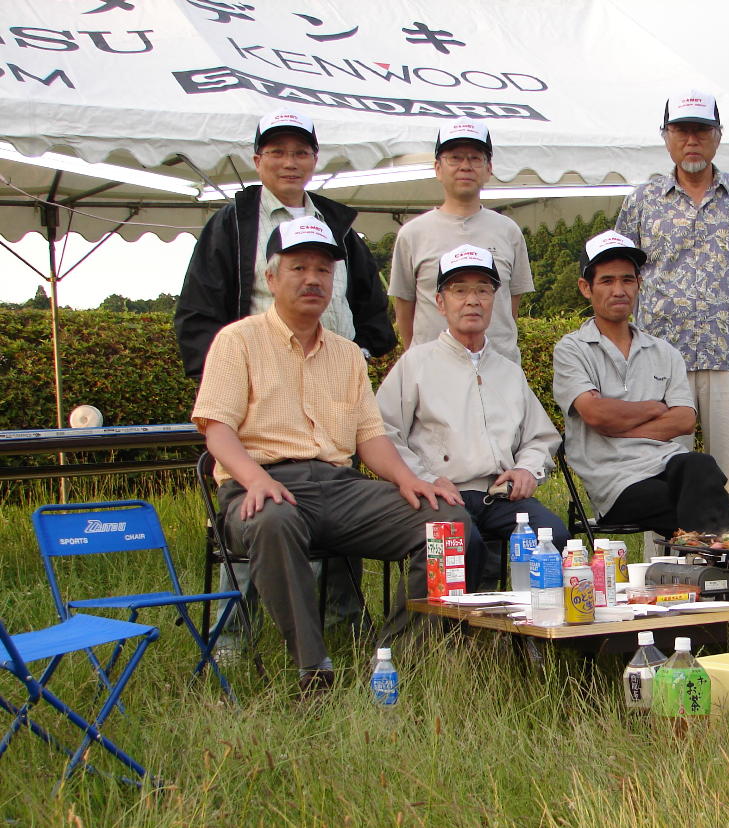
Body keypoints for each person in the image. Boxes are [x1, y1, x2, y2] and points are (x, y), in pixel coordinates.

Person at [191, 217, 468, 695]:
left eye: (323, 270)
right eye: (299, 267)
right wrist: (256, 479)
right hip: (261, 487)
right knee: (274, 520)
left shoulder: (346, 354)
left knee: (447, 521)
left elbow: (370, 437)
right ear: (271, 278)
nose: (313, 279)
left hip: (339, 488)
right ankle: (313, 668)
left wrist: (407, 479)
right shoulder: (237, 341)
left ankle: (397, 655)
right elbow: (217, 430)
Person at [175, 109, 394, 634]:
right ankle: (236, 631)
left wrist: (358, 354)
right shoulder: (232, 222)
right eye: (277, 152)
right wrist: (230, 385)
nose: (289, 162)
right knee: (262, 510)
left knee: (339, 500)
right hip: (258, 398)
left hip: (331, 388)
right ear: (257, 160)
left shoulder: (338, 225)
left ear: (315, 160)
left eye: (300, 152)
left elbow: (370, 300)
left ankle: (344, 623)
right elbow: (198, 311)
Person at [615, 89, 729, 534]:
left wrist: (724, 318)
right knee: (664, 473)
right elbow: (622, 276)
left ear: (718, 136)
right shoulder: (642, 200)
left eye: (702, 131)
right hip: (658, 365)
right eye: (682, 131)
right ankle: (665, 565)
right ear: (666, 137)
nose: (692, 140)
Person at [376, 244, 567, 588]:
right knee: (463, 541)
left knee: (553, 535)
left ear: (494, 300)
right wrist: (424, 478)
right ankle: (453, 622)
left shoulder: (508, 370)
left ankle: (532, 617)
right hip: (440, 494)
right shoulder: (416, 364)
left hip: (500, 496)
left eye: (483, 290)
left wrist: (527, 469)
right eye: (459, 290)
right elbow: (382, 431)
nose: (472, 301)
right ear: (440, 302)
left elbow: (541, 436)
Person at [552, 231, 729, 538]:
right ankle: (722, 561)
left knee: (701, 466)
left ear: (639, 284)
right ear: (586, 288)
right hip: (615, 481)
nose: (619, 290)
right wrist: (654, 407)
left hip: (665, 464)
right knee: (709, 504)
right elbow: (596, 414)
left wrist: (617, 427)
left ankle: (708, 559)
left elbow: (684, 420)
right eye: (607, 281)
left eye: (627, 280)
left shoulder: (663, 351)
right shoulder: (572, 349)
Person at [389, 118, 534, 364]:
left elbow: (510, 305)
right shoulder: (412, 234)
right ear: (438, 168)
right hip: (432, 370)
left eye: (475, 158)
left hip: (497, 370)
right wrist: (418, 360)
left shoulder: (509, 231)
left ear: (489, 169)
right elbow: (404, 306)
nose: (465, 166)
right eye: (455, 158)